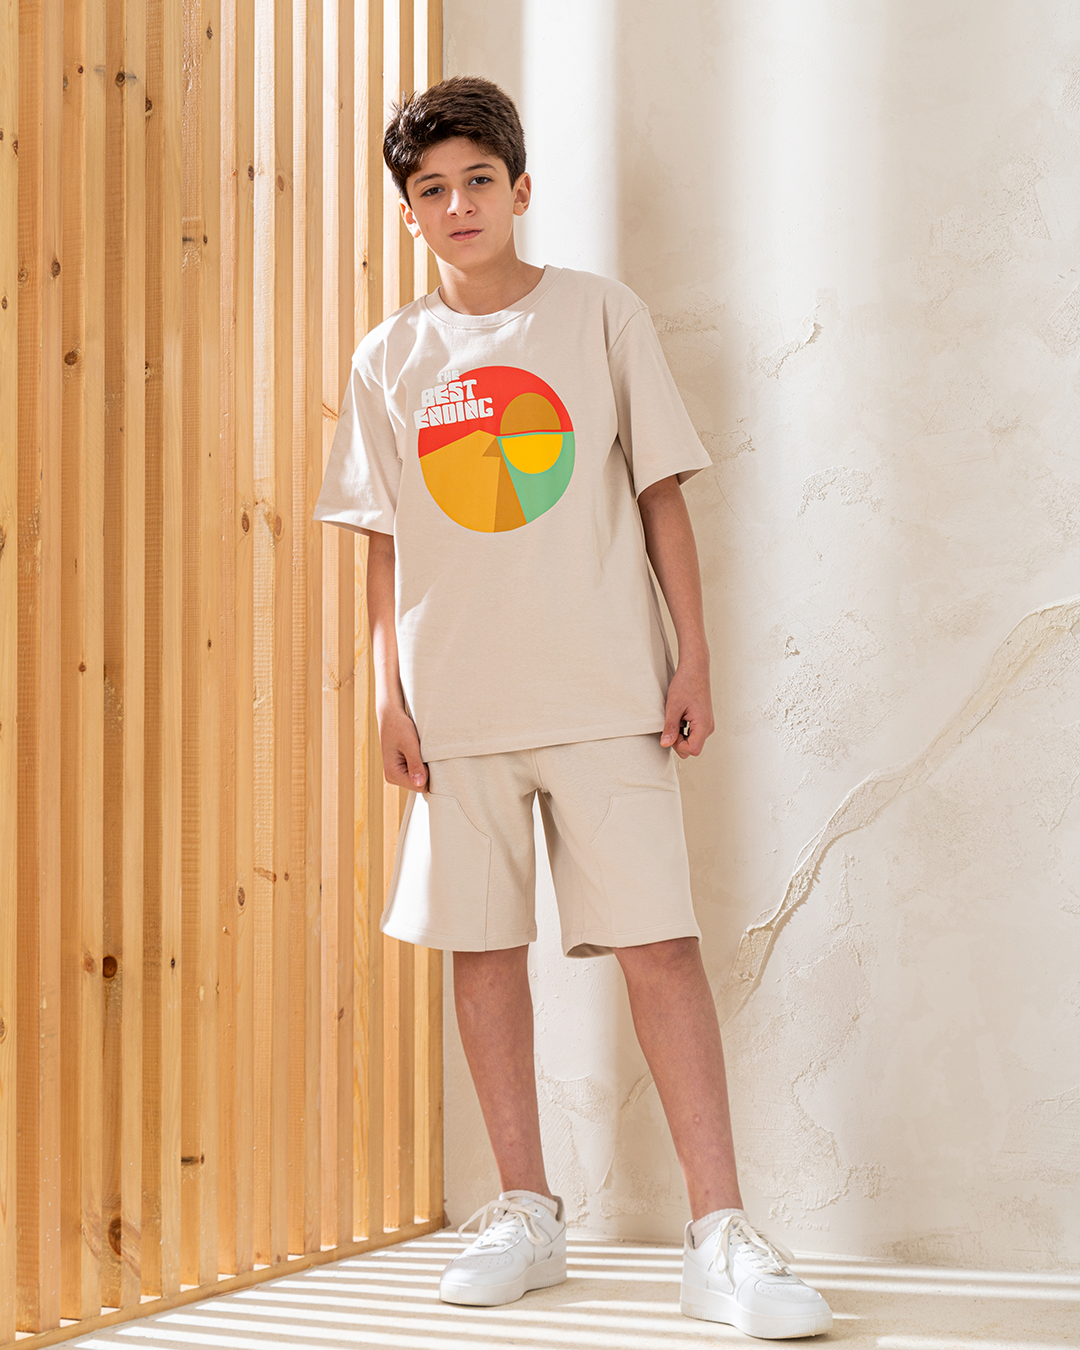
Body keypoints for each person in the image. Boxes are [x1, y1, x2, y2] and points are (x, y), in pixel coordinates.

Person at [314, 75, 833, 1341]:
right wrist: (387, 695)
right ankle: (525, 1212)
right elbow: (382, 542)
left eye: (478, 181)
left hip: (606, 691)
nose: (458, 204)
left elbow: (661, 494)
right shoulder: (387, 358)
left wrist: (692, 659)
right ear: (408, 214)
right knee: (483, 953)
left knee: (659, 944)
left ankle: (721, 1232)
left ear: (521, 189)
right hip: (457, 706)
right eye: (432, 190)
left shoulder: (599, 315)